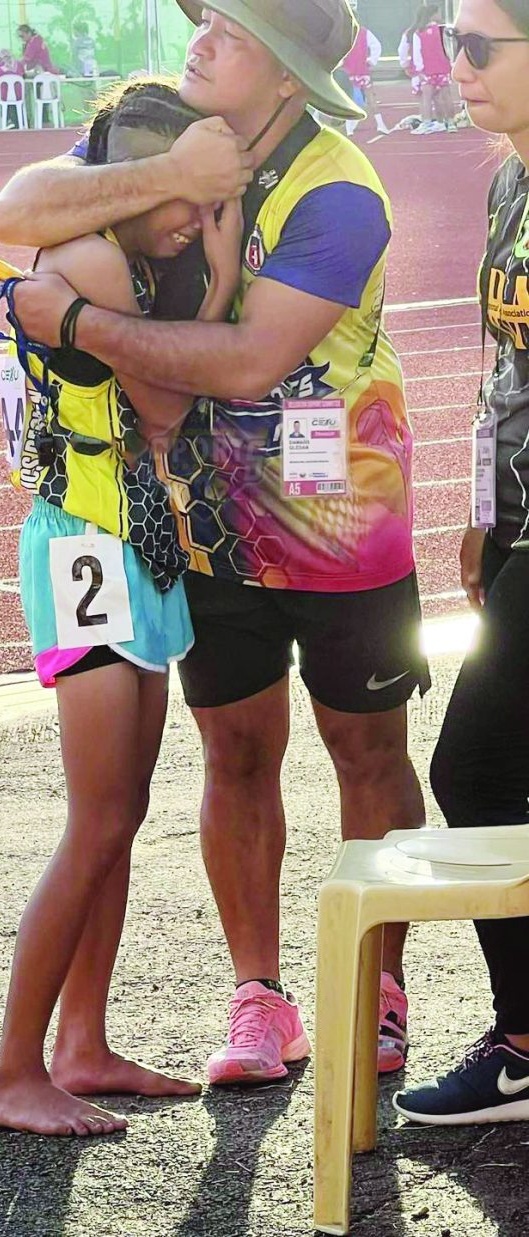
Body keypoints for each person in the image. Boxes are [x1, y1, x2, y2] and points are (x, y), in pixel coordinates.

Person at [0, 0, 430, 1086]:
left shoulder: (338, 190)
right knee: (234, 751)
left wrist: (77, 325)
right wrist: (164, 174)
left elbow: (245, 360)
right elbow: (14, 207)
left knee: (367, 753)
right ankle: (258, 997)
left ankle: (376, 990)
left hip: (340, 514)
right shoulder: (174, 136)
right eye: (208, 21)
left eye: (233, 33)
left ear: (285, 79)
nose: (202, 40)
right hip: (208, 517)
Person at [0, 80, 243, 1136]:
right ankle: (13, 1071)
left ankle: (81, 1044)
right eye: (185, 198)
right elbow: (169, 404)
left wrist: (198, 274)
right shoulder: (91, 259)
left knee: (120, 814)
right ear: (132, 181)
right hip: (84, 549)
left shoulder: (123, 261)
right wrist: (220, 288)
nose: (195, 217)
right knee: (95, 819)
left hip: (132, 545)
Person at [395, 0, 529, 1126]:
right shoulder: (508, 183)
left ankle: (526, 1041)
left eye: (481, 46)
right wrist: (482, 514)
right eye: (452, 45)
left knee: (473, 769)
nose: (458, 66)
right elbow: (504, 375)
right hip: (521, 526)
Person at [342, 1, 389, 136]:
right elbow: (376, 46)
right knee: (370, 97)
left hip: (347, 72)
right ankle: (380, 124)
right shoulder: (364, 32)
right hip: (362, 71)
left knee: (348, 99)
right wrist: (371, 61)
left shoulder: (342, 33)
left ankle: (349, 128)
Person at [411, 3, 458, 132]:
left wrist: (419, 70)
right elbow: (450, 47)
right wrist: (451, 62)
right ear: (433, 15)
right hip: (443, 68)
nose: (440, 15)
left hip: (427, 71)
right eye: (438, 13)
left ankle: (427, 123)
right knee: (446, 96)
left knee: (427, 98)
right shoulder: (443, 30)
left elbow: (417, 53)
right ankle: (451, 123)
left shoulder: (419, 33)